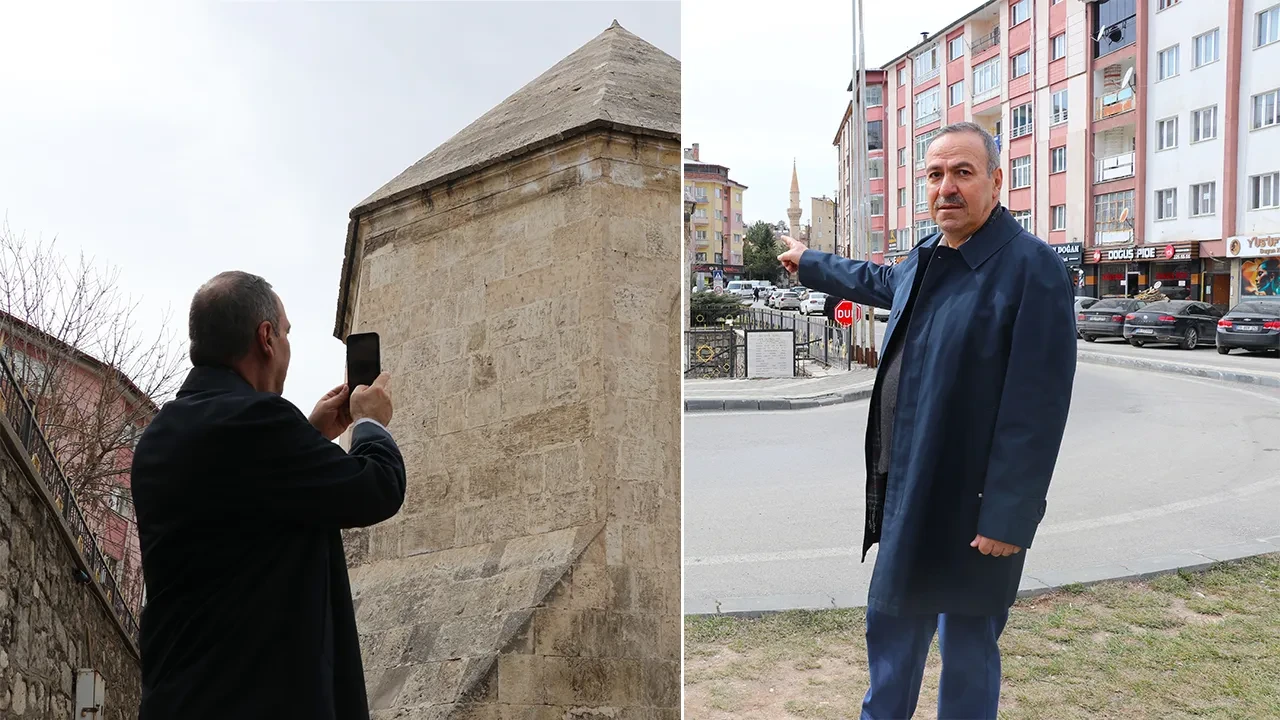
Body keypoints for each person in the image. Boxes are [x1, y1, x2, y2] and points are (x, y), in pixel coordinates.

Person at [778, 122, 1076, 720]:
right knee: (889, 636)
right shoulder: (926, 258)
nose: (947, 188)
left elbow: (1035, 412)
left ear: (996, 182)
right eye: (935, 175)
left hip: (974, 509)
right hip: (908, 494)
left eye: (963, 173)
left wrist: (1008, 516)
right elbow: (874, 280)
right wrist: (810, 263)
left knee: (966, 656)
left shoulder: (1032, 270)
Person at [131, 271, 407, 720]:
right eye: (287, 333)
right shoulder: (257, 425)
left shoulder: (161, 436)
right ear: (266, 337)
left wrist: (309, 437)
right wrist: (370, 422)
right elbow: (378, 487)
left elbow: (246, 510)